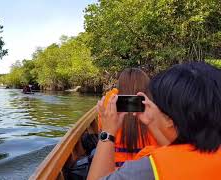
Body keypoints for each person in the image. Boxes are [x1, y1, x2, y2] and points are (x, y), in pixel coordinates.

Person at [88, 62, 221, 180]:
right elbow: (179, 147)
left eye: (156, 103)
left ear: (170, 119)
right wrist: (152, 122)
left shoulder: (150, 168)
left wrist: (107, 132)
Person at [98, 68, 168, 168]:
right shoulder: (157, 107)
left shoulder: (108, 104)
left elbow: (101, 138)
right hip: (151, 170)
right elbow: (170, 149)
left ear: (119, 87)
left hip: (115, 170)